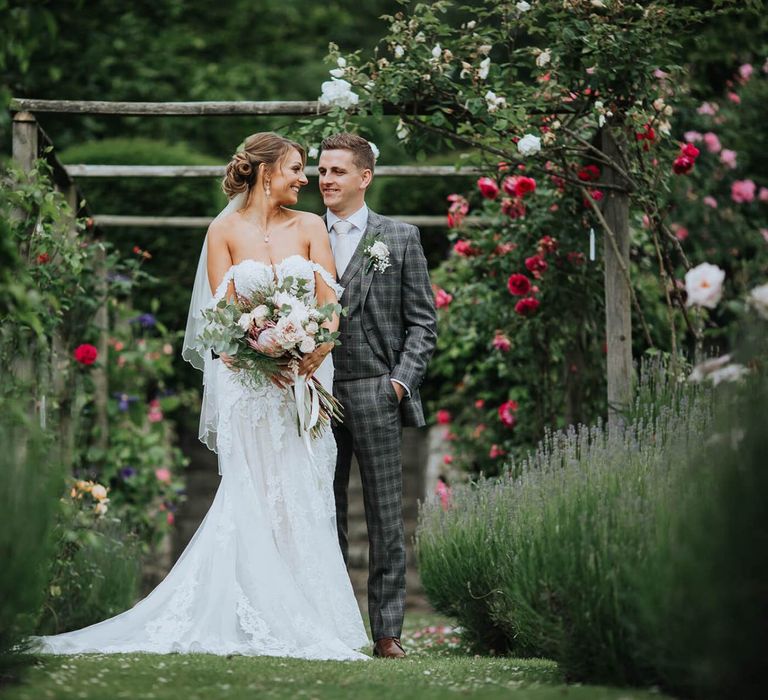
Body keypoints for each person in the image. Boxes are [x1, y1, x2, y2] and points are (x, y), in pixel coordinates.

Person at [33, 132, 369, 661]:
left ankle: (311, 615)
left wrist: (312, 348)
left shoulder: (310, 228)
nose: (306, 179)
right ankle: (246, 612)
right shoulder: (223, 231)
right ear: (266, 172)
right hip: (250, 387)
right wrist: (263, 351)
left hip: (304, 383)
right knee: (252, 494)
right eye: (296, 169)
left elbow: (330, 307)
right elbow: (223, 322)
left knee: (302, 494)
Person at [318, 133, 438, 659]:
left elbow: (423, 323)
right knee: (324, 514)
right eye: (321, 170)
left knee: (386, 517)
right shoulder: (301, 233)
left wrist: (398, 382)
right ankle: (332, 625)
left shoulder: (401, 237)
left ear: (364, 177)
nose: (325, 179)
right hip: (315, 393)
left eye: (337, 171)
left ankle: (387, 633)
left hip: (376, 389)